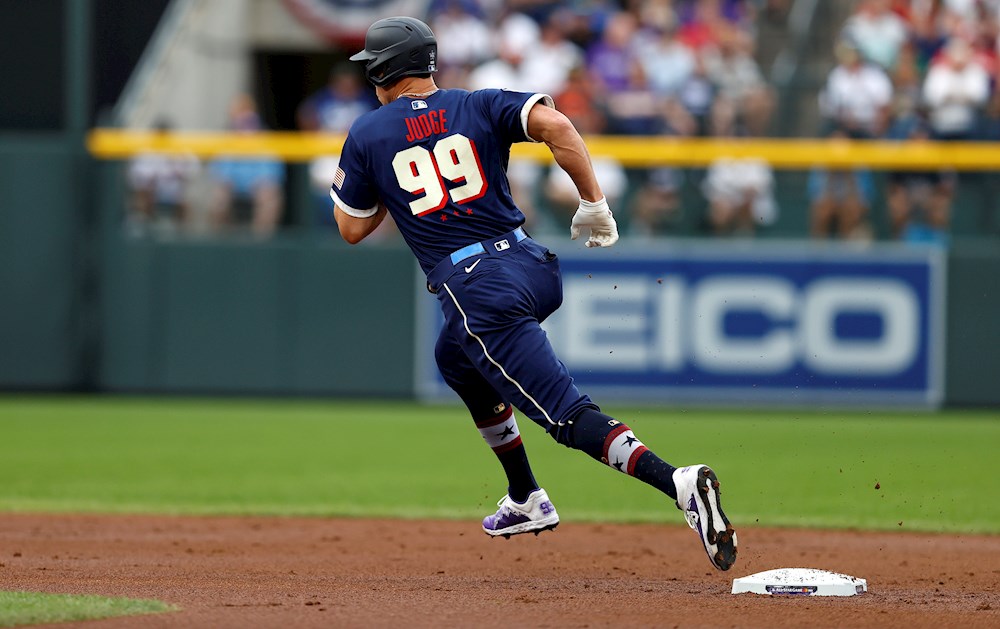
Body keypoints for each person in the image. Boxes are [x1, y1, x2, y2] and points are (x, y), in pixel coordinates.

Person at [332, 16, 737, 571]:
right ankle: (525, 496)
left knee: (567, 418)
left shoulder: (369, 133)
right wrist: (594, 201)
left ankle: (678, 482)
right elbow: (559, 127)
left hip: (479, 291)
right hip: (529, 264)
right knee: (455, 358)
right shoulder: (478, 102)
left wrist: (384, 179)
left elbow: (352, 228)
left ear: (382, 71)